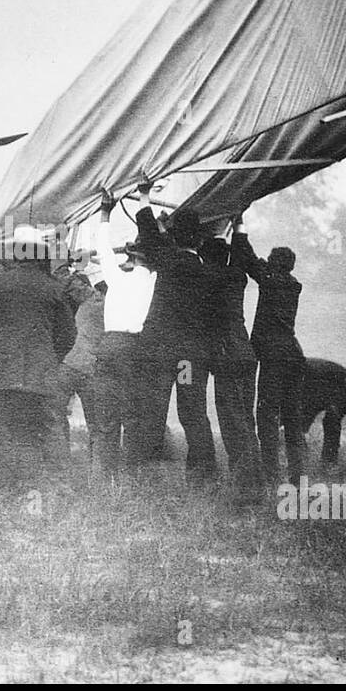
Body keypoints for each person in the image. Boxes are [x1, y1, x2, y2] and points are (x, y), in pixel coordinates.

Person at [0, 225, 76, 474]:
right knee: (47, 430)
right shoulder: (55, 288)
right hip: (41, 373)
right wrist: (50, 356)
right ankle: (57, 484)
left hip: (1, 371)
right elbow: (68, 334)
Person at [133, 187, 221, 485]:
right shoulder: (210, 273)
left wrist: (145, 195)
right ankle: (203, 475)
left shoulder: (167, 261)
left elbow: (146, 229)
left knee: (152, 411)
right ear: (199, 240)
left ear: (173, 236)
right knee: (194, 413)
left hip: (159, 353)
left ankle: (142, 474)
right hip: (189, 359)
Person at [231, 219, 306, 483]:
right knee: (293, 416)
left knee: (266, 412)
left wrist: (238, 225)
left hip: (274, 356)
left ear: (273, 264)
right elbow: (256, 263)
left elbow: (248, 258)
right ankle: (298, 477)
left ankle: (271, 473)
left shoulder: (271, 280)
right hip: (294, 355)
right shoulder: (294, 284)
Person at [90, 190, 157, 477]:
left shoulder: (116, 279)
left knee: (107, 414)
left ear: (129, 257)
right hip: (134, 347)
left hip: (109, 345)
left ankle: (104, 475)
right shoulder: (153, 281)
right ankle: (131, 474)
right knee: (132, 414)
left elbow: (103, 249)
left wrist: (106, 212)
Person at [198, 232, 260, 487]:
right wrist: (238, 228)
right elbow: (240, 254)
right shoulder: (237, 276)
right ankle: (255, 476)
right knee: (246, 418)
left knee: (233, 422)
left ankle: (245, 483)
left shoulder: (207, 278)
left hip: (227, 358)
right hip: (245, 353)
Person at [50, 259, 104, 460]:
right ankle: (97, 468)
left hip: (71, 364)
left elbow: (64, 278)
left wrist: (65, 259)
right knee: (97, 425)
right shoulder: (126, 307)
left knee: (55, 415)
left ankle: (60, 461)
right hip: (94, 369)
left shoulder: (92, 299)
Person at [298, 358, 346, 466]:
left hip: (345, 389)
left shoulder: (299, 373)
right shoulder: (299, 372)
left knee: (331, 421)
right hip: (324, 387)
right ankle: (309, 459)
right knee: (300, 424)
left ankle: (329, 463)